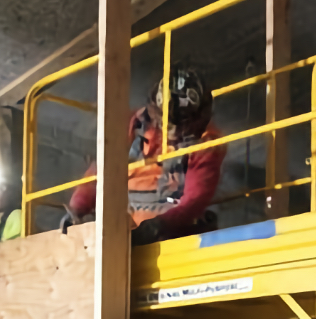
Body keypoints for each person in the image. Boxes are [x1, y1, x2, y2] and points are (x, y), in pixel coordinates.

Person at [64, 65, 226, 246]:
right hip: (120, 226)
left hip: (168, 231)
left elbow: (194, 199)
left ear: (199, 118)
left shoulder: (207, 142)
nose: (171, 132)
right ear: (155, 111)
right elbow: (100, 170)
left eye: (179, 127)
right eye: (166, 124)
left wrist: (158, 225)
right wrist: (77, 208)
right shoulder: (131, 124)